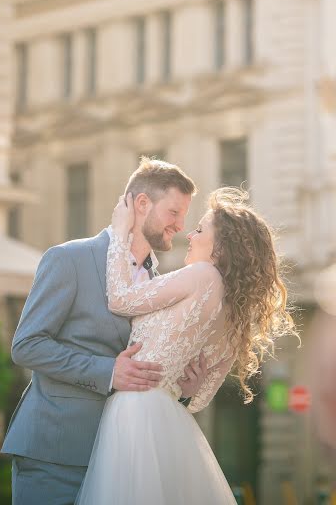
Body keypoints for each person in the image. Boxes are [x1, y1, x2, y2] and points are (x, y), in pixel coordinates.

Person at [1, 158, 210, 505]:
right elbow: (27, 346)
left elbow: (144, 372)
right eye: (174, 212)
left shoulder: (159, 284)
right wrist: (109, 371)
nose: (181, 225)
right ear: (142, 204)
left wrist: (183, 388)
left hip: (120, 461)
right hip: (55, 455)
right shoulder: (70, 259)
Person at [75, 187, 299, 505]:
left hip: (136, 409)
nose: (190, 236)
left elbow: (120, 299)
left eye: (199, 229)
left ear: (220, 248)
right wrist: (186, 390)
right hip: (169, 419)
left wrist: (121, 233)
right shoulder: (236, 317)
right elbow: (197, 400)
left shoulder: (202, 274)